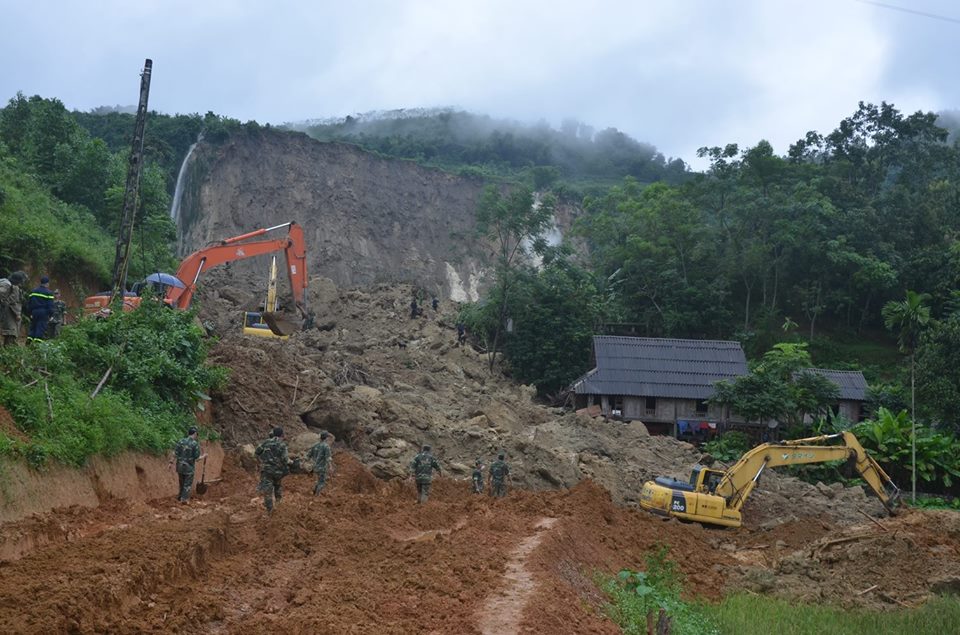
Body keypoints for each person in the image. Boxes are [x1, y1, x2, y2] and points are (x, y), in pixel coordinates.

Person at [255, 426, 291, 512]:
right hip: (278, 471)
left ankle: (270, 512)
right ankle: (279, 507)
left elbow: (257, 452)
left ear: (273, 433)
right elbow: (285, 459)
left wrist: (263, 459)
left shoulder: (266, 442)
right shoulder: (283, 445)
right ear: (282, 435)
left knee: (268, 492)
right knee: (278, 487)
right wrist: (291, 462)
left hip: (267, 471)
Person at [171, 426, 207, 503]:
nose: (197, 436)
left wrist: (170, 462)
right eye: (197, 434)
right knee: (187, 484)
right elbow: (197, 458)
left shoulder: (181, 441)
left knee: (181, 483)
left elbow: (175, 453)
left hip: (179, 466)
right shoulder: (194, 444)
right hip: (189, 468)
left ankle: (180, 496)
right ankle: (184, 499)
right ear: (195, 433)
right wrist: (204, 456)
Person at [0, 271, 27, 346]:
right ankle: (8, 350)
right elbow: (14, 302)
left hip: (5, 312)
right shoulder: (13, 287)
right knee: (11, 332)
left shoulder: (5, 283)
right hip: (10, 314)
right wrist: (17, 314)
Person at [26, 275, 55, 342]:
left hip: (34, 312)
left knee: (33, 327)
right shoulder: (49, 293)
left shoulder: (33, 291)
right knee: (40, 328)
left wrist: (30, 313)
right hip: (43, 313)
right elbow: (50, 305)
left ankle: (29, 341)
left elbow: (29, 303)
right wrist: (51, 315)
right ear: (47, 283)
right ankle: (37, 344)